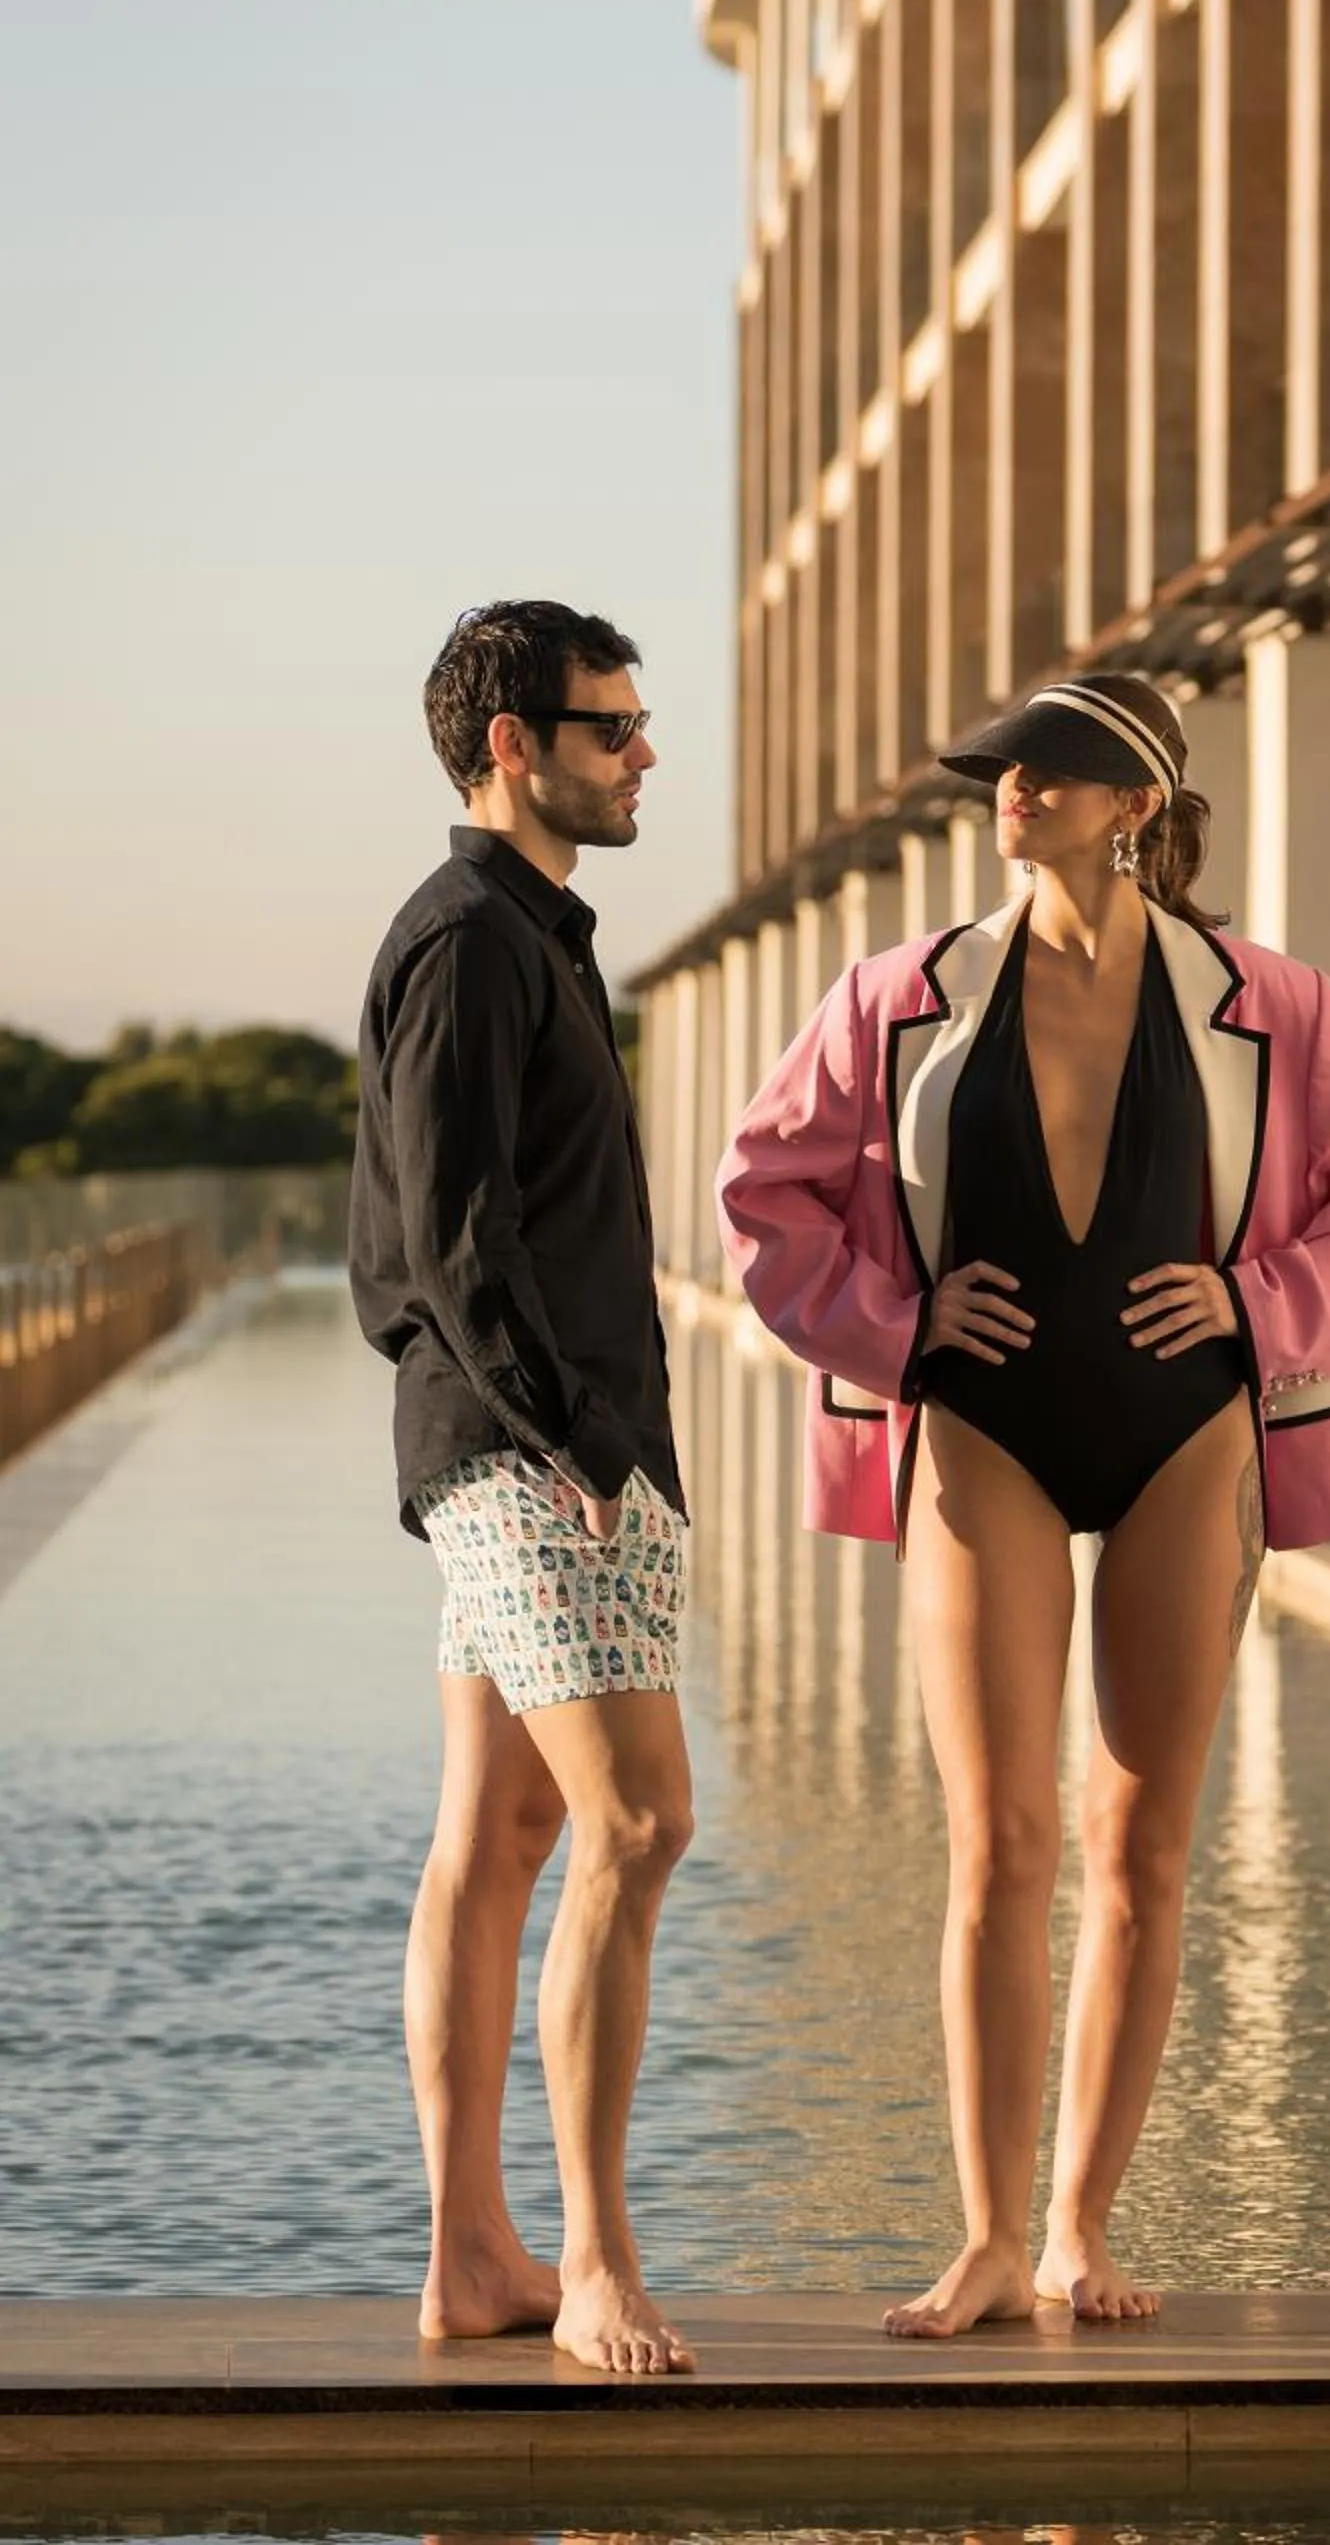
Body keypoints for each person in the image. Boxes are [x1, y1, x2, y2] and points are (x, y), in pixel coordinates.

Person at [717, 669, 1330, 2342]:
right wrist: (897, 1328)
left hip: (1189, 1431)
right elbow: (766, 1186)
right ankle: (980, 2237)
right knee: (1002, 1845)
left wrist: (1259, 1304)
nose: (1015, 792)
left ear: (1136, 808)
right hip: (986, 1428)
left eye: (1056, 773)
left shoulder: (1268, 1000)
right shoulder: (906, 994)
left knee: (1142, 1846)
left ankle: (1080, 2228)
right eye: (1006, 771)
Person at [350, 599, 694, 2378]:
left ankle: (471, 2256)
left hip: (519, 1443)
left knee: (500, 1840)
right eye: (612, 728)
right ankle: (595, 2266)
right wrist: (570, 1439)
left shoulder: (531, 938)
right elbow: (450, 1226)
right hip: (526, 1453)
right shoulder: (474, 942)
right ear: (513, 746)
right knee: (642, 1825)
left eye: (639, 725)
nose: (644, 756)